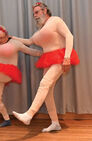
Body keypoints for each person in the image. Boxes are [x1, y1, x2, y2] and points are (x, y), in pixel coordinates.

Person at [12, 2, 80, 132]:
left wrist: (67, 57)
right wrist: (12, 38)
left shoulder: (55, 20)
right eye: (34, 14)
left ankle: (29, 114)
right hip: (49, 60)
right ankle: (55, 123)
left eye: (37, 12)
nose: (35, 16)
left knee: (44, 83)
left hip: (60, 57)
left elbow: (69, 36)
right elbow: (29, 41)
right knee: (48, 92)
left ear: (44, 11)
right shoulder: (40, 31)